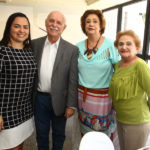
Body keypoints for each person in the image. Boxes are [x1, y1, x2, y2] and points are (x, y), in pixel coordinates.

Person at [32, 10, 78, 150]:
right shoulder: (34, 44)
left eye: (59, 22)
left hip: (61, 100)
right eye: (51, 21)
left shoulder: (71, 50)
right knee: (41, 134)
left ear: (64, 27)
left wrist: (71, 104)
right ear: (46, 23)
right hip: (40, 99)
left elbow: (73, 78)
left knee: (59, 134)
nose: (54, 24)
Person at [76, 9, 120, 141]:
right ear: (84, 25)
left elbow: (118, 72)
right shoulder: (77, 47)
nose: (91, 24)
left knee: (101, 136)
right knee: (85, 134)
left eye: (95, 21)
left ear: (100, 25)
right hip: (82, 97)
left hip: (103, 99)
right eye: (88, 21)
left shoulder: (111, 45)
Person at [0, 12, 37, 150]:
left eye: (25, 27)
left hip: (25, 110)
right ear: (9, 27)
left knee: (19, 145)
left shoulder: (29, 51)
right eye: (17, 26)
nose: (22, 30)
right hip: (5, 112)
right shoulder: (2, 51)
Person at [109, 30, 150, 150]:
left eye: (128, 44)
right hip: (120, 118)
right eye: (121, 44)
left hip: (137, 121)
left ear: (136, 47)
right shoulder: (118, 65)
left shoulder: (140, 65)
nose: (124, 47)